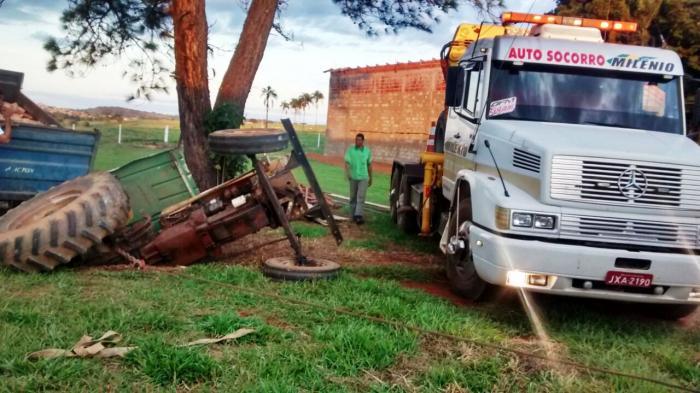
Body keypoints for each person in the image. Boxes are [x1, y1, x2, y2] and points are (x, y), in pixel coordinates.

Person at [344, 133, 372, 224]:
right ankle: (352, 216)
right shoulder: (350, 150)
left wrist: (371, 177)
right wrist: (348, 173)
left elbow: (369, 165)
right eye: (356, 140)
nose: (357, 141)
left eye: (359, 140)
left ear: (363, 141)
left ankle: (358, 216)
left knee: (360, 197)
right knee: (352, 197)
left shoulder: (367, 151)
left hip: (364, 177)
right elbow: (347, 163)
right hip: (353, 177)